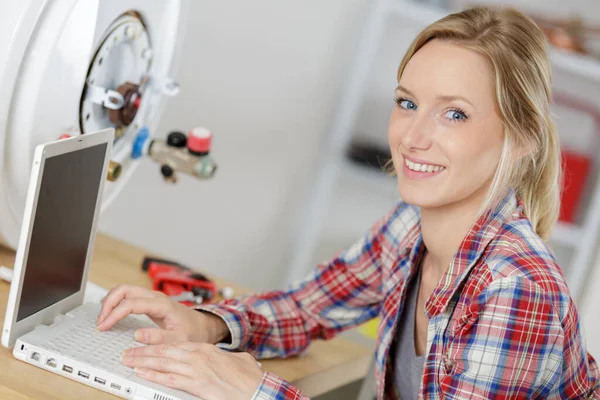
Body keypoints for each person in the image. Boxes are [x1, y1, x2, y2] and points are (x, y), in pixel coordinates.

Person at [96, 6, 600, 399]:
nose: (414, 137)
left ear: (523, 138)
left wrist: (252, 390)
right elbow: (308, 306)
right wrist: (205, 323)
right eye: (408, 103)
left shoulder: (515, 288)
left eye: (455, 115)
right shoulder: (411, 227)